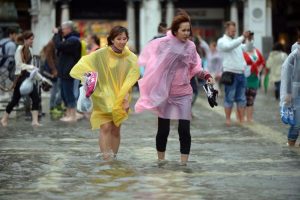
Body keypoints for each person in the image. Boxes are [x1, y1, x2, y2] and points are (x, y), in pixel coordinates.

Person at [135, 11, 214, 165]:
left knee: (184, 130)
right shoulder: (164, 44)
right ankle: (161, 161)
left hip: (183, 92)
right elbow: (154, 65)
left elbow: (195, 67)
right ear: (175, 30)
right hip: (165, 93)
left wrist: (206, 75)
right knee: (163, 130)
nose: (186, 33)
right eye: (183, 30)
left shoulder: (191, 47)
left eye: (188, 30)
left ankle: (183, 165)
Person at [70, 26, 140, 160]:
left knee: (116, 128)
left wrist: (125, 99)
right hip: (103, 96)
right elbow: (82, 66)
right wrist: (90, 80)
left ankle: (113, 157)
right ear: (112, 40)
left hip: (121, 96)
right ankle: (106, 158)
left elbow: (130, 80)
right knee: (106, 127)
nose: (122, 41)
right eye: (118, 38)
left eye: (124, 38)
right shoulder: (100, 54)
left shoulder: (131, 58)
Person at [1, 31, 42, 127]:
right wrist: (31, 67)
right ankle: (4, 119)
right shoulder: (19, 49)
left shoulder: (30, 50)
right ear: (25, 40)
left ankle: (35, 121)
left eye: (33, 39)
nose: (32, 41)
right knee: (15, 100)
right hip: (20, 77)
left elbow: (31, 67)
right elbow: (19, 65)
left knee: (35, 98)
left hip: (28, 77)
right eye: (30, 39)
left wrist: (40, 78)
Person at [217, 21, 251, 126]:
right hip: (230, 73)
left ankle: (241, 119)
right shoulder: (222, 41)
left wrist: (250, 40)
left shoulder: (237, 41)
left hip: (241, 73)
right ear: (226, 29)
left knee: (241, 98)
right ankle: (228, 119)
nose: (233, 32)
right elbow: (229, 47)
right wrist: (242, 37)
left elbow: (247, 48)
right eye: (232, 31)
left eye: (235, 31)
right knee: (229, 97)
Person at [53, 20, 81, 122]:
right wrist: (58, 35)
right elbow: (59, 45)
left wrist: (56, 34)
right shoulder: (68, 39)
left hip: (69, 71)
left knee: (69, 93)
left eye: (63, 29)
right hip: (64, 71)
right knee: (64, 94)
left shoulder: (74, 40)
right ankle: (69, 114)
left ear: (69, 29)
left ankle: (73, 116)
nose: (62, 31)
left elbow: (59, 46)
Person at [280, 27, 300, 147]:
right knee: (297, 122)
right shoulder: (295, 53)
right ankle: (291, 143)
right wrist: (287, 93)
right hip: (296, 92)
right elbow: (286, 73)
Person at [243, 36, 266, 122]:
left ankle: (250, 118)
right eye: (248, 40)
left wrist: (259, 69)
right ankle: (242, 118)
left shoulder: (257, 52)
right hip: (245, 78)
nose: (250, 41)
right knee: (243, 99)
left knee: (251, 99)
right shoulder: (243, 51)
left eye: (251, 39)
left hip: (255, 78)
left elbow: (263, 62)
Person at [40, 40, 63, 117]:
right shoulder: (51, 45)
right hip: (53, 72)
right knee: (54, 89)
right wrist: (54, 70)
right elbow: (50, 60)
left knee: (56, 89)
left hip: (54, 71)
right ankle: (52, 107)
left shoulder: (52, 45)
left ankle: (54, 106)